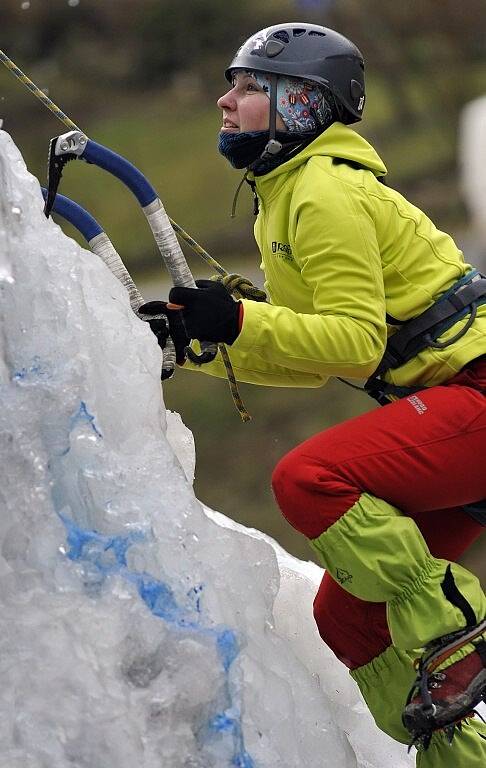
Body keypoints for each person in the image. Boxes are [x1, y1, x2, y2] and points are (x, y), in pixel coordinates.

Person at [140, 23, 486, 767]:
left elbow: (354, 343)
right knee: (346, 620)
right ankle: (455, 746)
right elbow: (311, 356)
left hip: (479, 396)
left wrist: (235, 316)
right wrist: (200, 346)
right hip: (461, 411)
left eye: (245, 87)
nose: (224, 101)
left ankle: (458, 629)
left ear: (298, 104)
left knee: (307, 479)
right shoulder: (287, 194)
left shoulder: (323, 190)